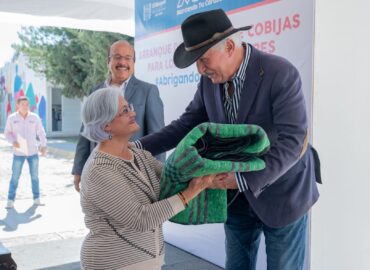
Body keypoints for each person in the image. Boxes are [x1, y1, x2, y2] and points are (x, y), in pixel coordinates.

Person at [133, 9, 320, 270]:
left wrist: (243, 179)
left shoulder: (280, 73)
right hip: (234, 196)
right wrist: (137, 148)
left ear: (229, 46)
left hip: (283, 192)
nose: (200, 69)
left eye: (203, 59)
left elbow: (294, 140)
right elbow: (185, 125)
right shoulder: (209, 81)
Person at [79, 87, 220, 270]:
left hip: (149, 260)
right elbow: (141, 219)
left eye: (129, 107)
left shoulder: (137, 154)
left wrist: (211, 176)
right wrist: (189, 193)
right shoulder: (100, 170)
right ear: (106, 125)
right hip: (113, 263)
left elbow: (172, 178)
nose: (133, 113)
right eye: (125, 111)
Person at [72, 40, 165, 192]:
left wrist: (158, 177)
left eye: (128, 58)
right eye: (117, 57)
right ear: (108, 61)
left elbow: (158, 137)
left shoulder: (148, 91)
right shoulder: (95, 91)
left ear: (134, 63)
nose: (122, 62)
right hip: (97, 172)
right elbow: (85, 132)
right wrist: (78, 168)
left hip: (133, 174)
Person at [4, 96, 47, 209]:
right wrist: (13, 141)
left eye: (27, 104)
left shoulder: (34, 117)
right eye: (23, 104)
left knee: (34, 177)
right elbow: (7, 133)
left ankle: (36, 198)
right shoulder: (12, 118)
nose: (25, 106)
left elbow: (41, 132)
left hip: (33, 152)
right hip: (18, 152)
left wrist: (43, 145)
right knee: (15, 177)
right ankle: (10, 200)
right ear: (18, 105)